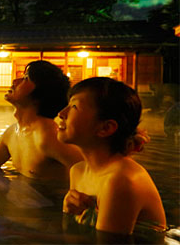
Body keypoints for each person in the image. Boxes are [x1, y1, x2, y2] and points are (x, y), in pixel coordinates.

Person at [57, 77, 166, 236]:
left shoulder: (121, 180)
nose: (61, 113)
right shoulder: (78, 171)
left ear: (106, 128)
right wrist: (67, 210)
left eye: (74, 106)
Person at [0, 60, 83, 180]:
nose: (15, 81)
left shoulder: (50, 137)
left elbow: (93, 171)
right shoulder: (12, 133)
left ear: (40, 95)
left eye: (26, 79)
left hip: (52, 197)